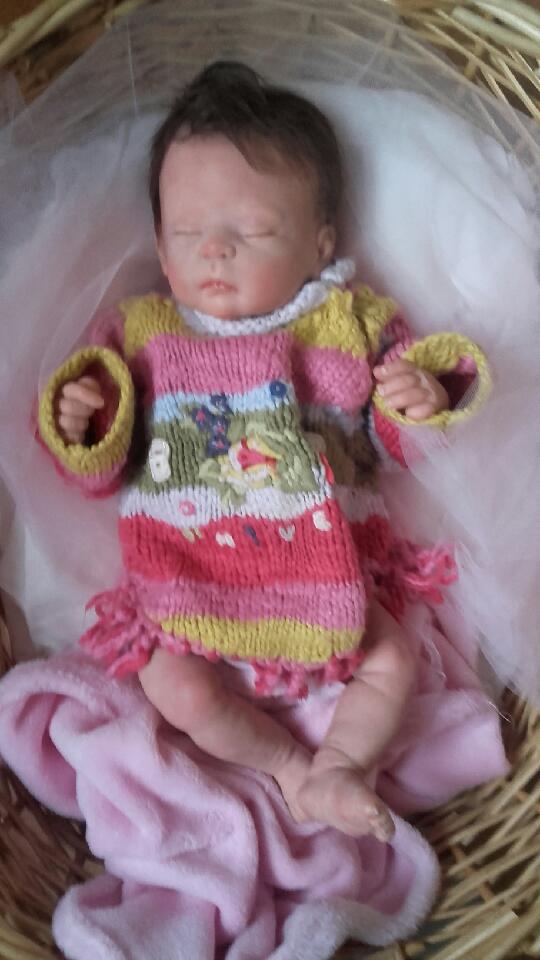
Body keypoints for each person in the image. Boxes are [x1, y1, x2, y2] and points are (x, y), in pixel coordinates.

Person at [37, 60, 490, 842]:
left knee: (394, 660)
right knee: (177, 688)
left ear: (320, 244)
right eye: (188, 234)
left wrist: (421, 400)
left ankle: (340, 764)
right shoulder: (143, 333)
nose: (215, 251)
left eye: (252, 231)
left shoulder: (348, 322)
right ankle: (287, 767)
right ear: (161, 249)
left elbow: (396, 441)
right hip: (190, 579)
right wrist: (84, 422)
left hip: (332, 580)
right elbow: (101, 466)